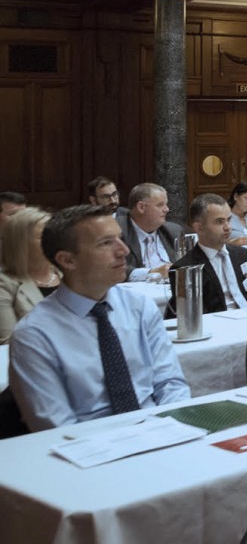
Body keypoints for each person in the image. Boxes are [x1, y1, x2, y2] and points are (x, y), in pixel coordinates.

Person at [9, 205, 189, 431]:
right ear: (68, 260)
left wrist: (174, 429)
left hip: (157, 430)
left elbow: (170, 384)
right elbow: (55, 426)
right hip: (86, 450)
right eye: (105, 243)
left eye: (120, 238)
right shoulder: (35, 334)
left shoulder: (139, 307)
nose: (123, 250)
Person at [168, 194, 247, 316]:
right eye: (219, 222)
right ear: (198, 227)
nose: (228, 227)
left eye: (229, 220)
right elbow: (192, 314)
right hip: (217, 324)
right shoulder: (185, 268)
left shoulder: (242, 255)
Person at [0, 207, 60, 344]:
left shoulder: (67, 274)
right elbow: (9, 343)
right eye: (44, 236)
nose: (55, 241)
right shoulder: (4, 284)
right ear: (21, 244)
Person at [115, 183, 182, 282]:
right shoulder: (117, 230)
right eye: (160, 205)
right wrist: (152, 272)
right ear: (141, 207)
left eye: (166, 204)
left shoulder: (174, 231)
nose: (167, 209)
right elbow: (112, 268)